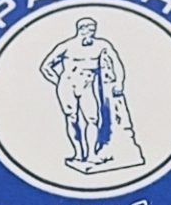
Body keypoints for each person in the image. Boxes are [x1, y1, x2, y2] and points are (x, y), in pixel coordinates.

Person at [38, 15, 144, 176]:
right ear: (80, 30)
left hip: (88, 85)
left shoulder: (101, 45)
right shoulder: (67, 46)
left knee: (93, 118)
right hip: (68, 85)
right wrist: (59, 81)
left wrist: (119, 82)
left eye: (93, 30)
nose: (91, 33)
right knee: (72, 118)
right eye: (88, 30)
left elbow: (116, 63)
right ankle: (78, 154)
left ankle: (91, 155)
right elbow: (46, 66)